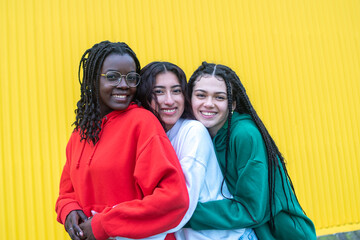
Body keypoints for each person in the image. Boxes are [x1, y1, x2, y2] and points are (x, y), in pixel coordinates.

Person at [55, 41, 189, 240]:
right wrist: (68, 210)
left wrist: (105, 224)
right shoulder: (80, 134)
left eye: (131, 78)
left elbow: (173, 199)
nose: (124, 85)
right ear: (93, 80)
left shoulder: (142, 123)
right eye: (112, 77)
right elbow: (67, 192)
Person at [185, 62, 317, 240]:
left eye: (219, 97)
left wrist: (183, 213)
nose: (209, 104)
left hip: (283, 235)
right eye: (201, 95)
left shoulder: (245, 135)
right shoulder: (201, 133)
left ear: (231, 105)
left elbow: (251, 209)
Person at [136, 61, 257, 240]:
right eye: (159, 92)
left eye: (176, 91)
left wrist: (114, 231)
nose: (169, 100)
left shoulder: (193, 132)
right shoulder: (155, 137)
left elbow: (180, 205)